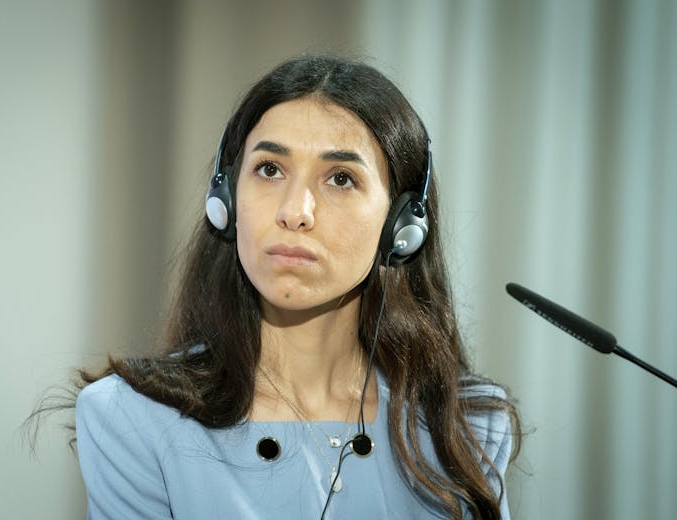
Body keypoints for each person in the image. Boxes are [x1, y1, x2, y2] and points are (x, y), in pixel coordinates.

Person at [74, 54, 520, 519]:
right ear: (225, 201)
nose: (296, 211)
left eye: (341, 178)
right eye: (270, 169)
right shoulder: (131, 419)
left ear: (401, 225)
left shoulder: (465, 426)